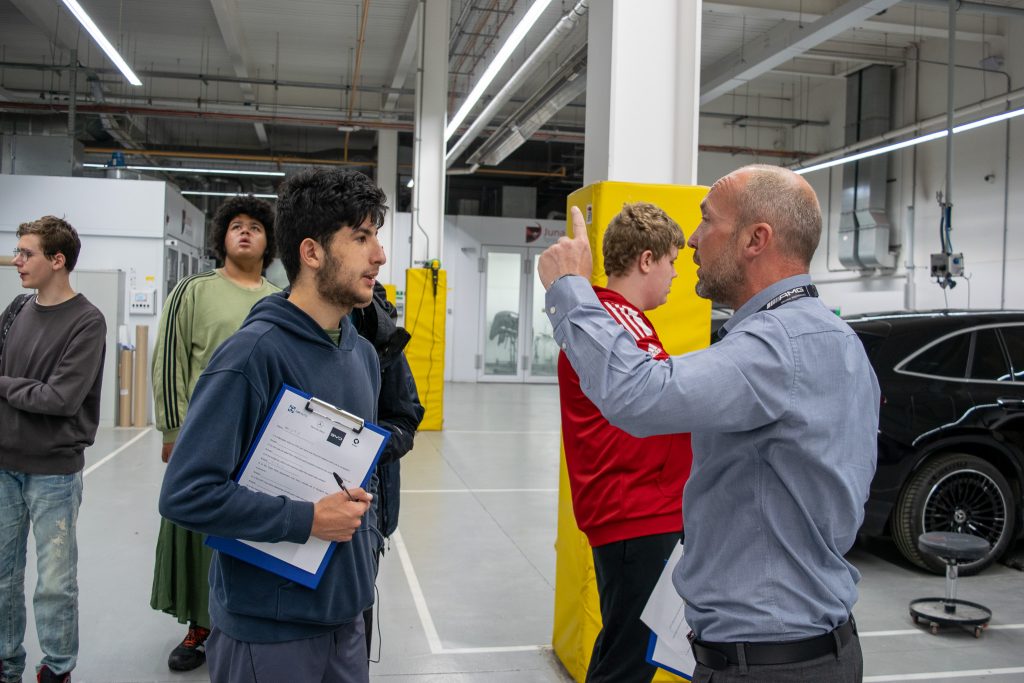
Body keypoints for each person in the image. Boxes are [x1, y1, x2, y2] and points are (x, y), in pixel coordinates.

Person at [538, 165, 878, 683]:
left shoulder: (774, 348)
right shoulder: (833, 339)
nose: (694, 241)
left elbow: (640, 395)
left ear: (755, 239)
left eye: (706, 221)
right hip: (803, 645)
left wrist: (568, 287)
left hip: (765, 661)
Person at [159, 167, 388, 683]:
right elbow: (186, 494)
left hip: (347, 615)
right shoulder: (252, 355)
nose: (379, 255)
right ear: (311, 253)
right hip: (269, 631)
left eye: (376, 236)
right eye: (361, 237)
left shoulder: (363, 356)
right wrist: (305, 520)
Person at [557, 203, 692, 683]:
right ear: (647, 259)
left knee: (626, 647)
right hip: (634, 510)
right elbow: (657, 400)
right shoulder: (616, 321)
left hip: (636, 507)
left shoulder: (617, 319)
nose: (677, 274)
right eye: (673, 261)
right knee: (628, 661)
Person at [150, 196, 279, 672]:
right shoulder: (193, 290)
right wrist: (173, 429)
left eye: (255, 228)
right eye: (236, 226)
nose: (245, 233)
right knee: (196, 531)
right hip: (204, 432)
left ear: (269, 241)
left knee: (248, 531)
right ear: (222, 237)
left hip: (260, 438)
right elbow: (169, 360)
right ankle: (200, 624)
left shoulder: (278, 301)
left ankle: (239, 618)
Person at [0, 217, 106, 683]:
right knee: (2, 579)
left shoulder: (87, 321)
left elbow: (60, 400)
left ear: (57, 260)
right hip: (3, 465)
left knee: (54, 585)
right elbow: (38, 391)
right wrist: (22, 388)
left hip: (54, 474)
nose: (17, 261)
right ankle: (7, 664)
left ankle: (57, 668)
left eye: (27, 253)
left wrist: (2, 386)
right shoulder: (16, 310)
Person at [351, 281, 424, 657]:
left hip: (368, 513)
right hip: (297, 510)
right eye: (361, 238)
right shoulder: (279, 331)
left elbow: (405, 416)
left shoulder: (377, 328)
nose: (377, 255)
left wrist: (360, 447)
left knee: (356, 621)